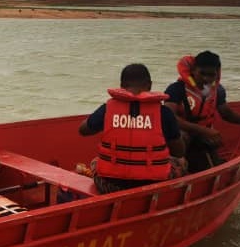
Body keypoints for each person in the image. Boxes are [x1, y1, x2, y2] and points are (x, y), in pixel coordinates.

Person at [79, 63, 187, 194]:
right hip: (153, 185)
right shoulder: (163, 112)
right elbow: (179, 151)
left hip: (110, 185)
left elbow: (83, 130)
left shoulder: (108, 109)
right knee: (181, 161)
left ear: (122, 86)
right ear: (150, 85)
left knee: (96, 162)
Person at [165, 51, 240, 172]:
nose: (206, 79)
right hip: (181, 139)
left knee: (214, 158)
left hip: (203, 137)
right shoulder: (176, 89)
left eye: (211, 75)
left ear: (217, 74)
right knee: (182, 136)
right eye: (202, 73)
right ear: (193, 70)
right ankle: (176, 165)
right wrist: (204, 130)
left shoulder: (218, 91)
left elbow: (227, 114)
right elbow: (170, 118)